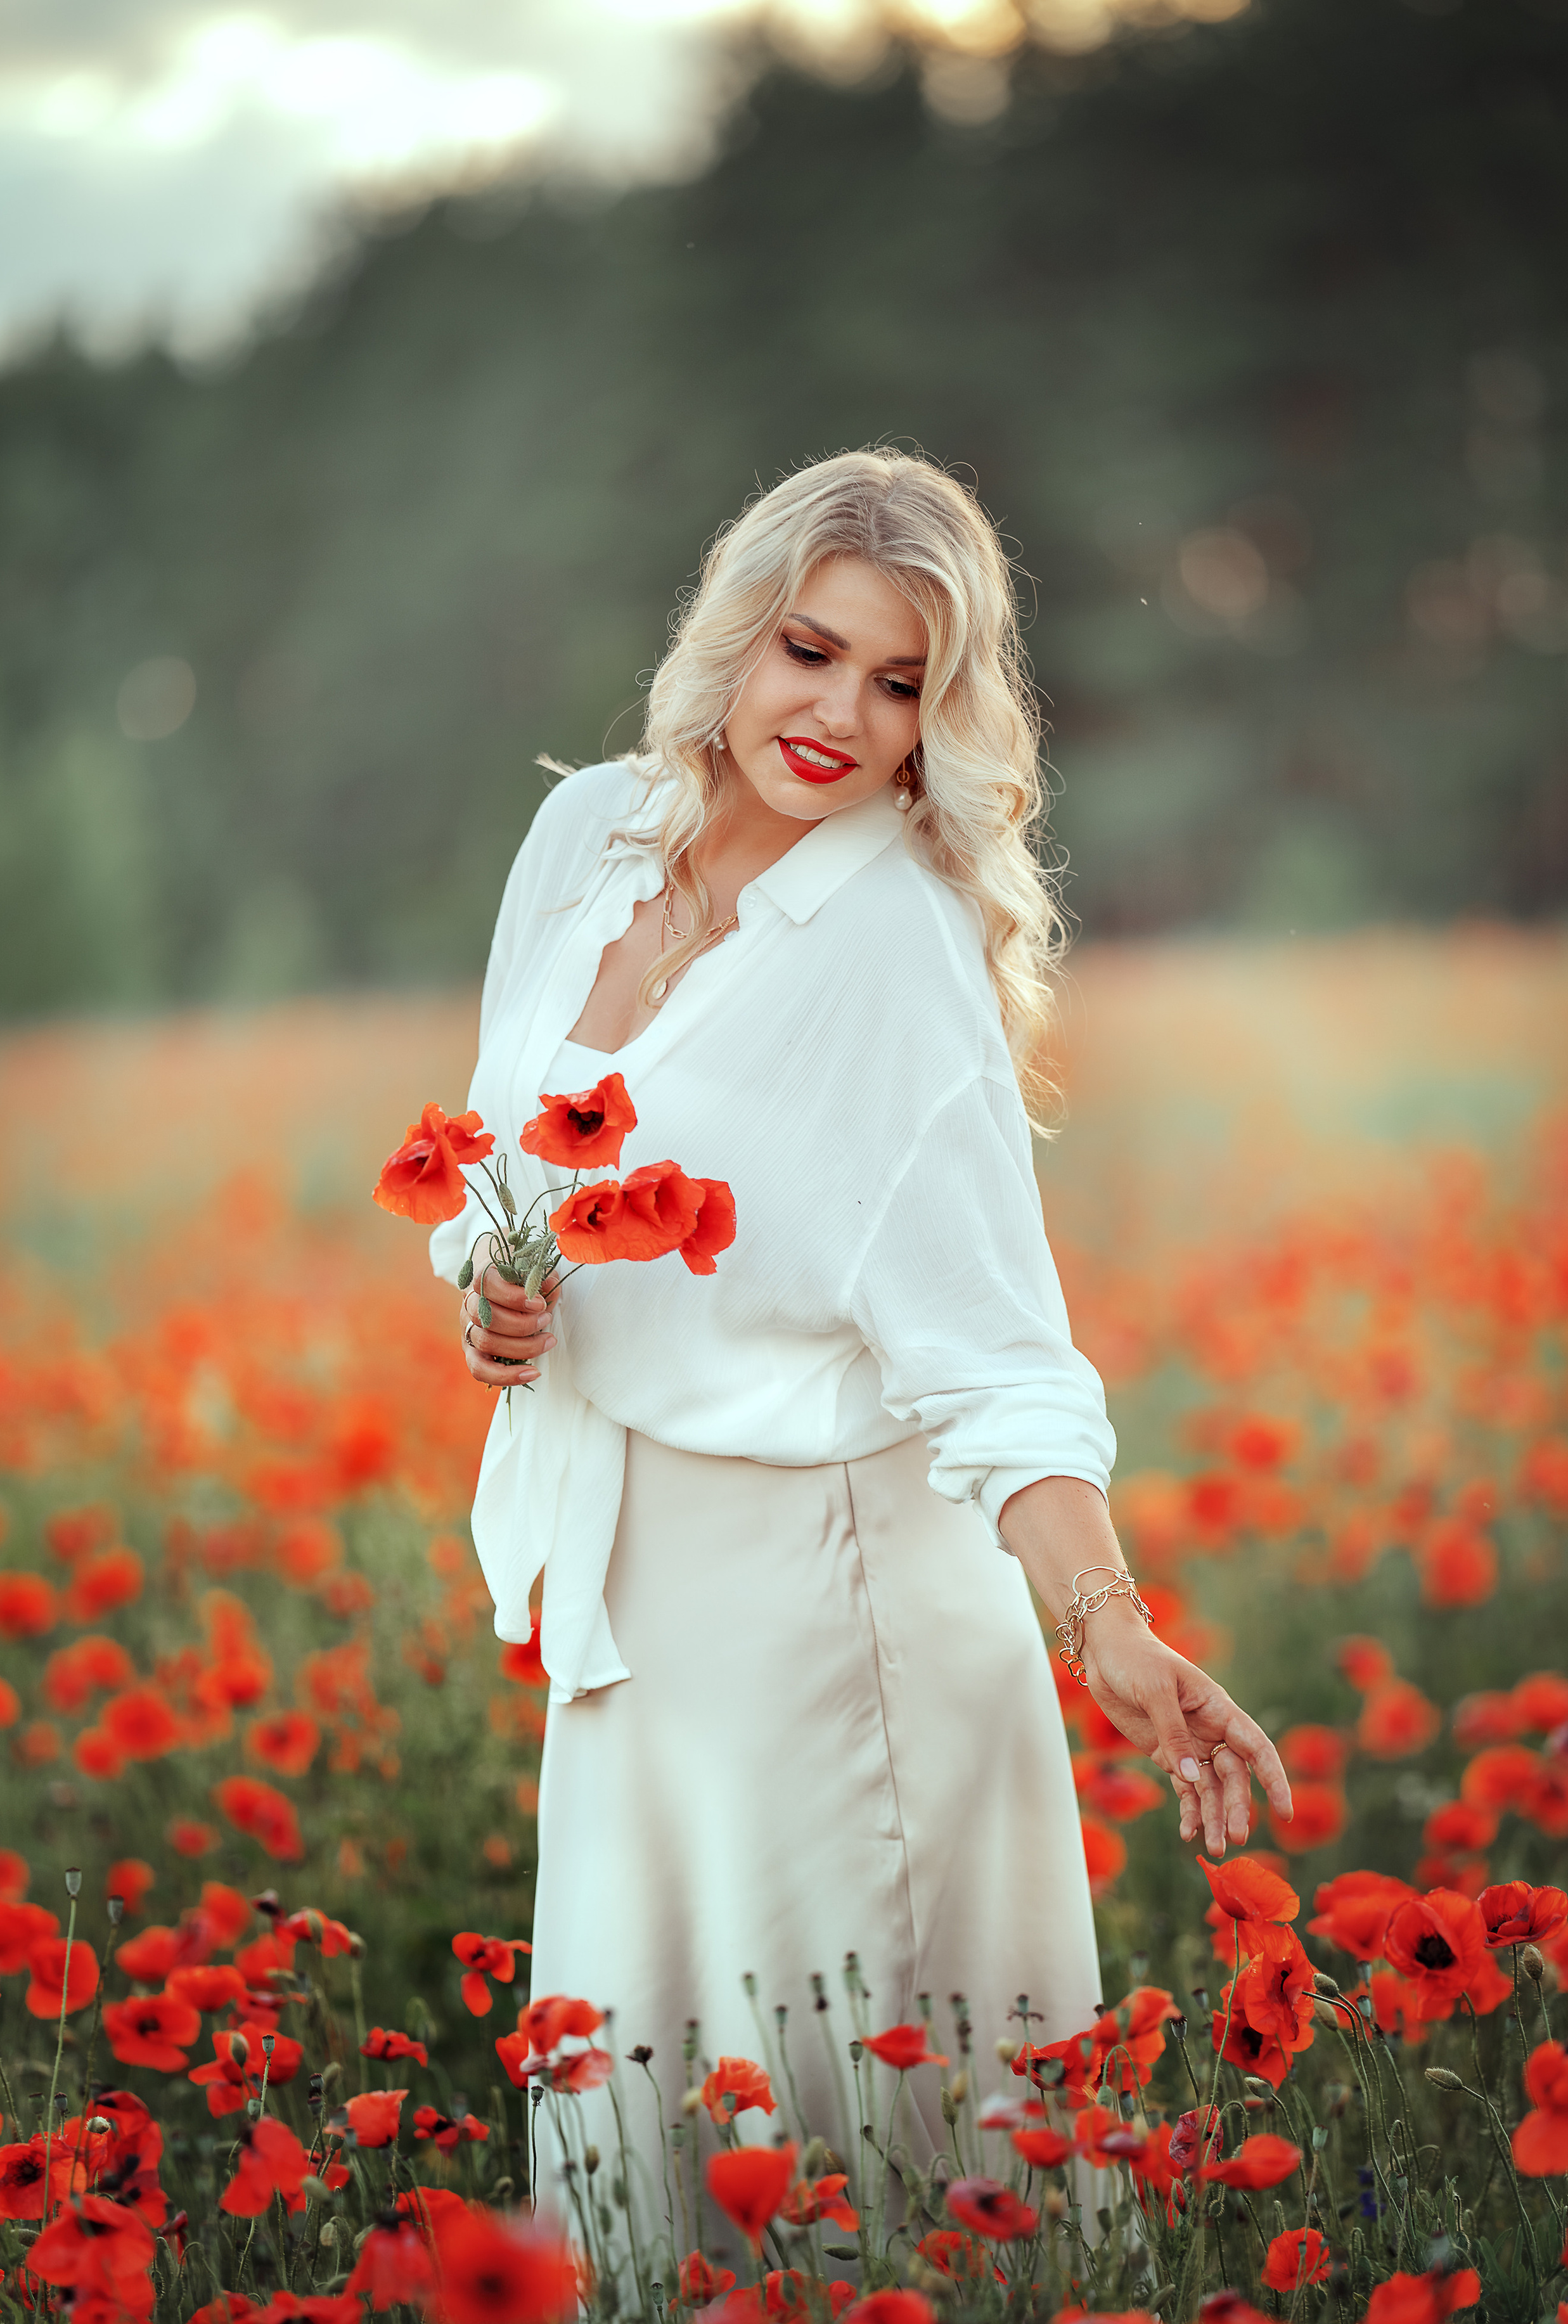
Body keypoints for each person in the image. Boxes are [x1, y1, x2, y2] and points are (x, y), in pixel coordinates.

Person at [428, 447, 1292, 2186]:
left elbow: (995, 1354)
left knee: (866, 2153)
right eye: (810, 651)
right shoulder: (580, 834)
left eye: (902, 683)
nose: (840, 714)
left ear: (942, 715)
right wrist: (494, 1309)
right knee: (653, 2121)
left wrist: (1108, 1619)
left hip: (835, 1616)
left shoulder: (898, 951)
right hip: (636, 1613)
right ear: (736, 634)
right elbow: (488, 1153)